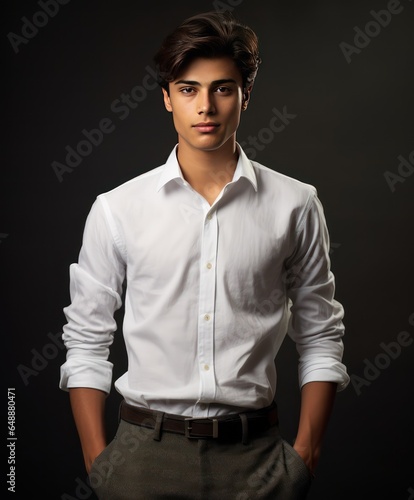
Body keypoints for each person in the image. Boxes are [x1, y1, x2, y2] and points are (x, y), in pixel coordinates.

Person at [59, 10, 350, 500]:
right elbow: (87, 339)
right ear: (167, 98)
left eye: (223, 88)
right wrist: (99, 463)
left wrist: (304, 457)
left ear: (245, 95)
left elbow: (321, 334)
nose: (206, 106)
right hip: (140, 460)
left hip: (257, 460)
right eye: (189, 89)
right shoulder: (117, 209)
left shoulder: (295, 204)